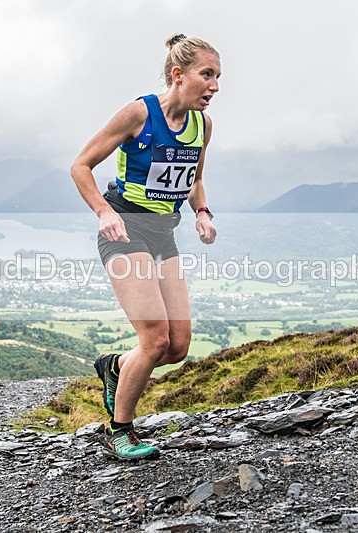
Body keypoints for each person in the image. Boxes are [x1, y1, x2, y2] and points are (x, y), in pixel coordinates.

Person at [70, 33, 220, 460]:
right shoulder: (138, 113)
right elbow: (80, 166)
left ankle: (114, 366)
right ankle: (120, 431)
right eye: (206, 75)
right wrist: (104, 211)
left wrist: (203, 212)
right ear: (178, 74)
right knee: (154, 340)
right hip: (125, 228)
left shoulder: (202, 125)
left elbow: (192, 179)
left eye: (218, 77)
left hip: (163, 233)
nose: (214, 86)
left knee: (177, 347)